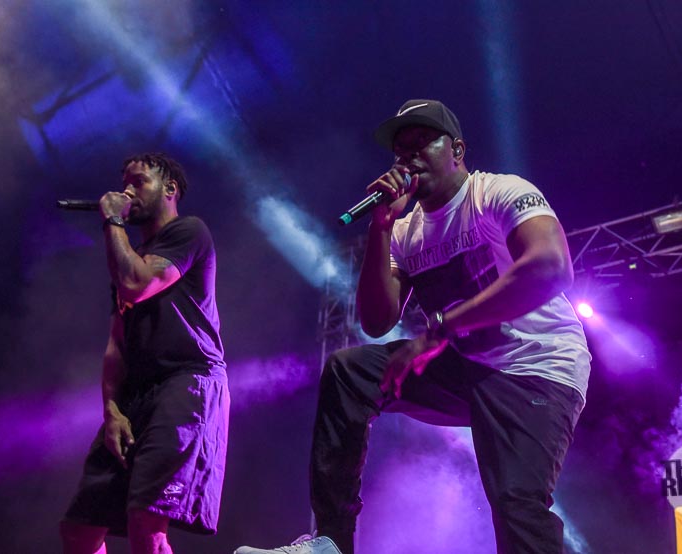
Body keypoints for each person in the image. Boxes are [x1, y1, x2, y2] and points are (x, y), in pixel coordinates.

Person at [235, 99, 590, 554]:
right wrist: (381, 227)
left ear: (457, 150)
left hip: (535, 364)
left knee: (515, 500)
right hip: (466, 368)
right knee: (349, 372)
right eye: (401, 150)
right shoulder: (406, 233)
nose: (409, 157)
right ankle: (331, 543)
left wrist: (439, 330)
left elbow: (551, 267)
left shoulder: (497, 192)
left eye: (423, 143)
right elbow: (377, 321)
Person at [60, 153, 229, 554]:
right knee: (79, 530)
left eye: (138, 182)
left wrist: (113, 220)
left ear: (169, 189)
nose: (126, 191)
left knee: (147, 519)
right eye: (124, 183)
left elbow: (137, 284)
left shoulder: (189, 231)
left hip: (187, 381)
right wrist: (111, 410)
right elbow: (117, 343)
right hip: (136, 395)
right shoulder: (126, 258)